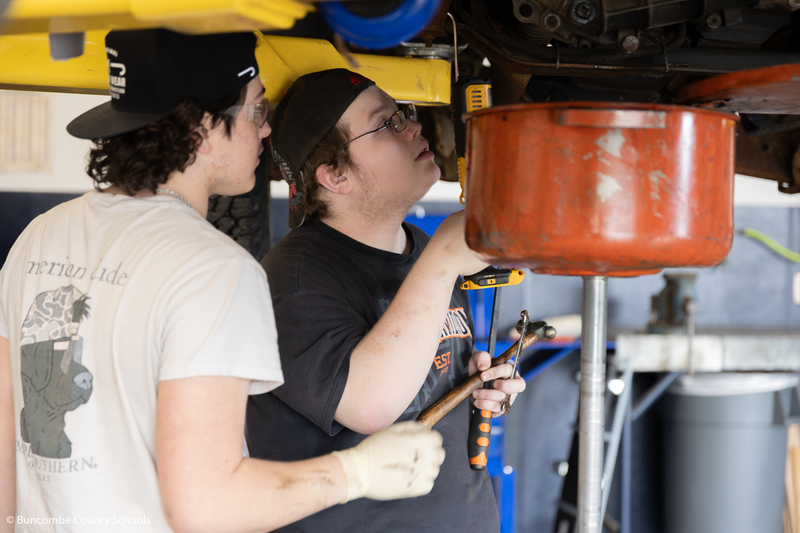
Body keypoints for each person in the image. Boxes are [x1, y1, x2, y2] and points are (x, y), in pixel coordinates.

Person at [0, 31, 446, 533]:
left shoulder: (40, 236)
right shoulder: (214, 269)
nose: (264, 131)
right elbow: (206, 506)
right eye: (256, 111)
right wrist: (355, 472)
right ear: (200, 128)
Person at [246, 69, 527, 533]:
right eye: (387, 124)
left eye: (404, 115)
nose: (414, 127)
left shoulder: (419, 245)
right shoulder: (292, 278)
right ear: (335, 175)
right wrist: (442, 259)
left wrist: (479, 390)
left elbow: (421, 389)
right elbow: (370, 407)